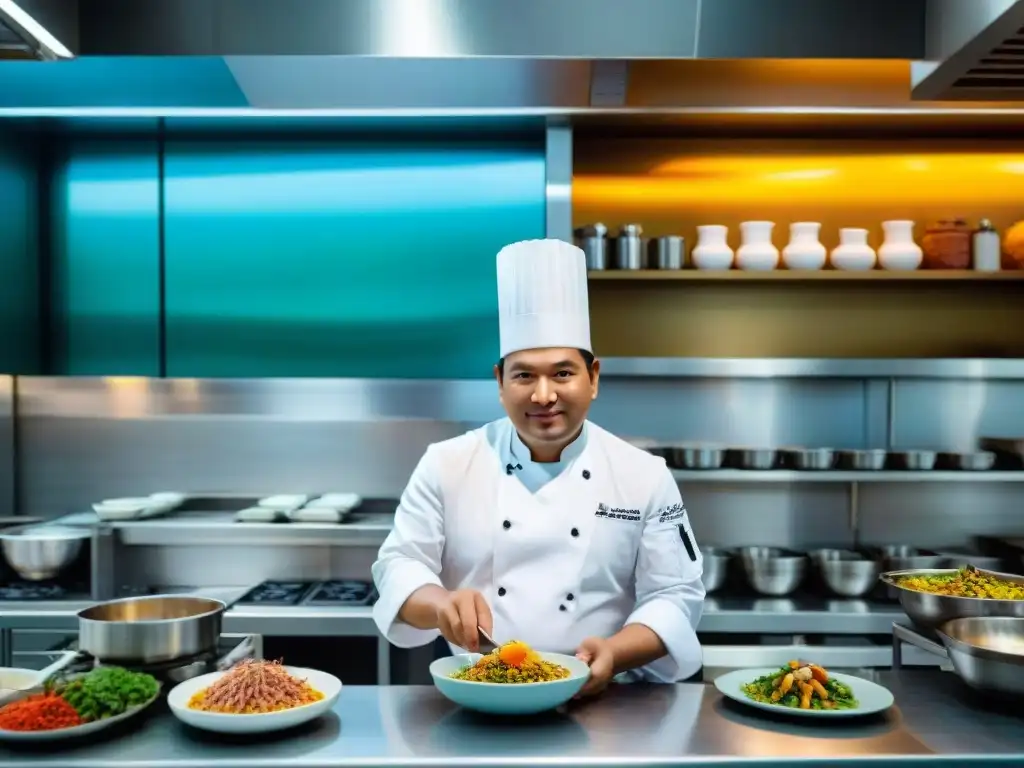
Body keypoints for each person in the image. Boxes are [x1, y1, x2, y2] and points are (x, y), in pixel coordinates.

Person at [372, 238, 705, 695]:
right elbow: (400, 564)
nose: (543, 395)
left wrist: (615, 653)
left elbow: (675, 594)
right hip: (481, 691)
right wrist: (441, 605)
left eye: (563, 373)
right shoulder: (447, 463)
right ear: (500, 381)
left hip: (613, 699)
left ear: (594, 379)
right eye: (524, 374)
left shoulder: (643, 475)